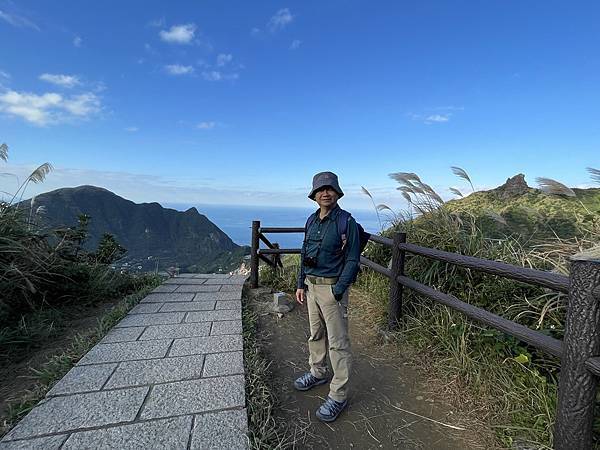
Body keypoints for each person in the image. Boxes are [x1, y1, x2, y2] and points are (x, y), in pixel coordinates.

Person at [294, 171, 361, 422]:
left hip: (332, 289)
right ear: (314, 195)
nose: (325, 193)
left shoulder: (346, 222)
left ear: (337, 192)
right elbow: (304, 253)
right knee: (316, 334)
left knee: (338, 343)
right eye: (320, 189)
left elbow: (353, 259)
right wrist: (301, 284)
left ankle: (338, 395)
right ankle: (318, 372)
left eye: (329, 188)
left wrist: (338, 290)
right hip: (311, 287)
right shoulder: (311, 221)